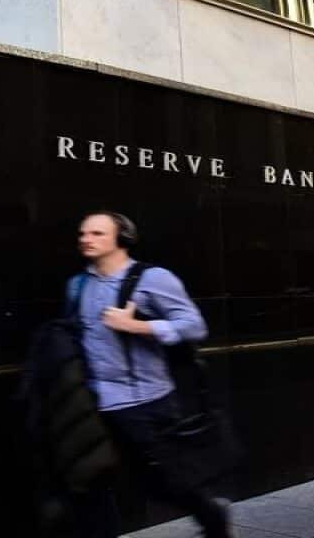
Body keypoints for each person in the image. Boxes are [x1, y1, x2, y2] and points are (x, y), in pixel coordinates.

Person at [68, 210, 232, 538]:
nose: (86, 239)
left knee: (162, 481)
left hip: (143, 402)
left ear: (122, 238)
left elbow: (194, 326)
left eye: (97, 233)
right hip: (92, 403)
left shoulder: (151, 279)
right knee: (91, 483)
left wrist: (136, 326)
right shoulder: (78, 284)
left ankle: (211, 515)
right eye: (83, 233)